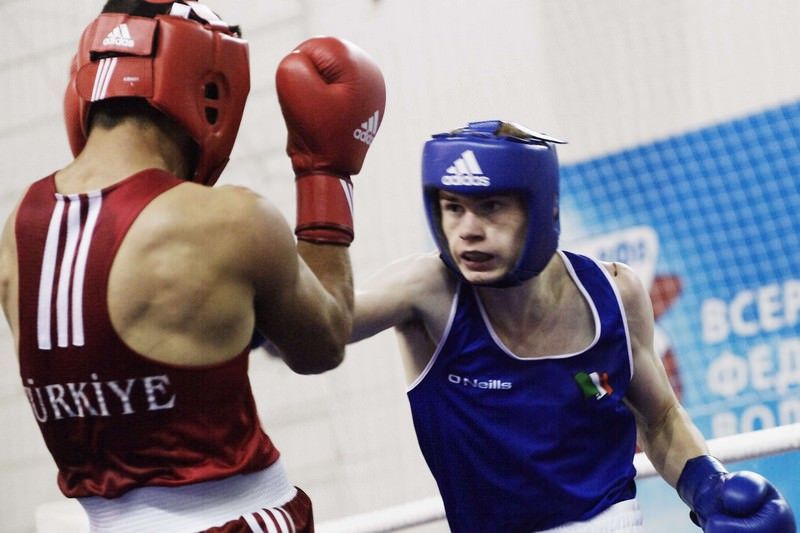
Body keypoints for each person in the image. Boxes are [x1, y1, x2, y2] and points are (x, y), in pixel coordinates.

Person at [0, 1, 385, 531]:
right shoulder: (229, 219)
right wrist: (326, 174)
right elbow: (323, 343)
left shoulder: (18, 229)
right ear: (211, 88)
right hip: (238, 518)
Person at [350, 120, 795, 532]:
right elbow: (325, 332)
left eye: (490, 207)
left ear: (542, 207)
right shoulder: (427, 292)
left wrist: (707, 486)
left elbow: (660, 418)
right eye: (453, 207)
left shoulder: (614, 292)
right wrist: (326, 191)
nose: (468, 230)